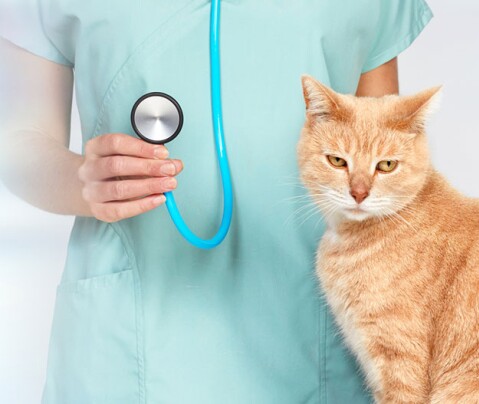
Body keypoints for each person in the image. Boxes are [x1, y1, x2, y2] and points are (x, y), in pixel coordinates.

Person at [0, 0, 432, 402]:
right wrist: (85, 182)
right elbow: (17, 143)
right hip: (128, 342)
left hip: (314, 332)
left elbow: (389, 150)